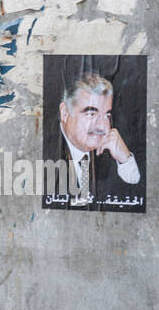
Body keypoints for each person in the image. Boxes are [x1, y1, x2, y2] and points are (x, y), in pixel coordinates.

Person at [56, 72, 143, 208]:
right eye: (91, 113)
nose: (103, 127)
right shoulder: (44, 151)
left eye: (107, 115)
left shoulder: (108, 151)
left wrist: (125, 160)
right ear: (65, 112)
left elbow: (137, 200)